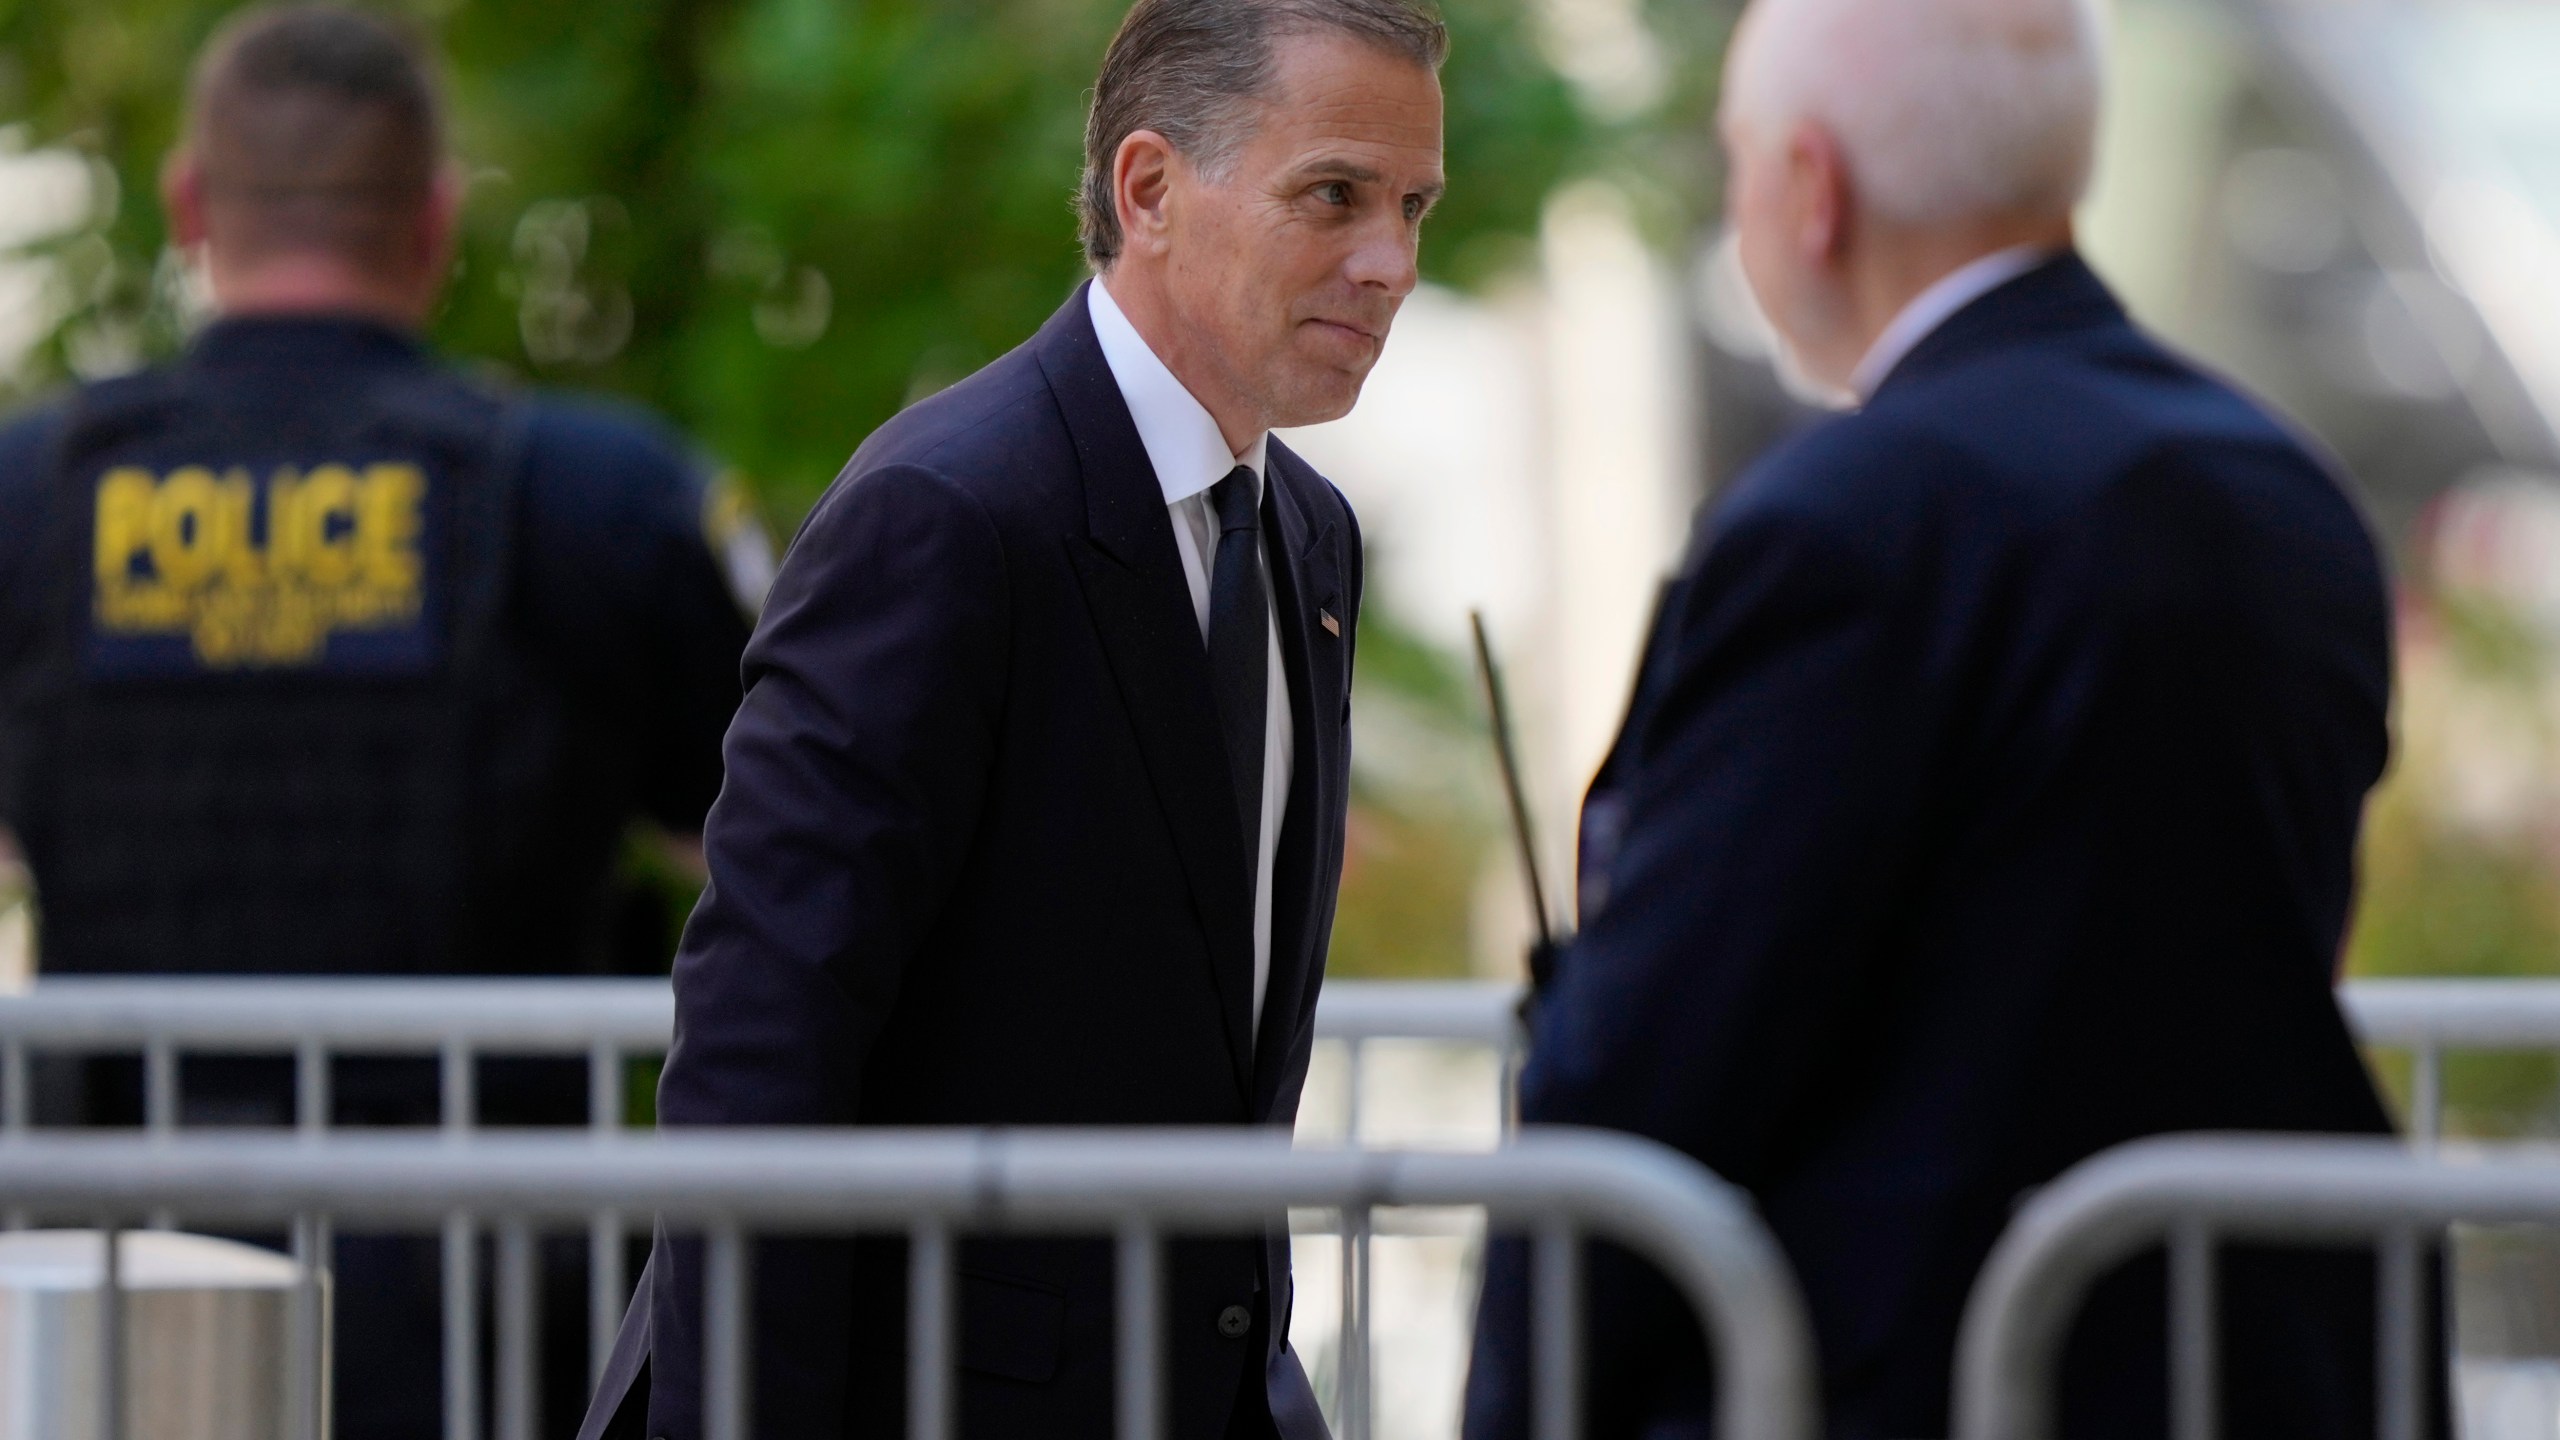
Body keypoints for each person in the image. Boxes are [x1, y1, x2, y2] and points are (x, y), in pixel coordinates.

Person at [1464, 0, 2413, 1436]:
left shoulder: (1846, 521)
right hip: (2269, 1360)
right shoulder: (2281, 486)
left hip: (1914, 1373)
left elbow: (1667, 1058)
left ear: (1810, 185)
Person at [576, 0, 1443, 1434]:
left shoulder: (1310, 537)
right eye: (1335, 195)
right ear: (1150, 190)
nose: (1391, 262)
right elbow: (762, 1046)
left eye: (1413, 205)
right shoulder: (949, 513)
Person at [0, 8, 756, 1438]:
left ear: (185, 208)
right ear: (437, 217)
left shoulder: (32, 499)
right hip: (498, 1315)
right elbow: (788, 857)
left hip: (108, 1311)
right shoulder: (598, 497)